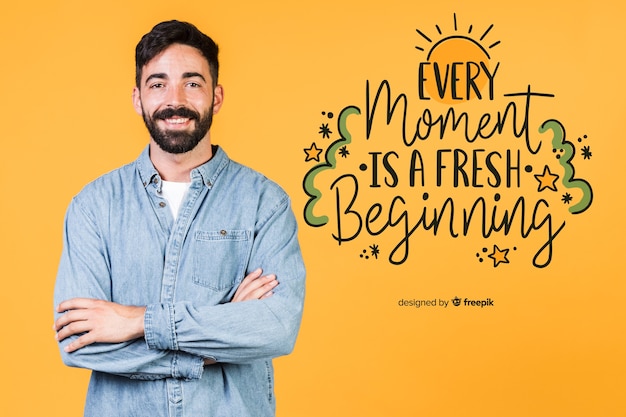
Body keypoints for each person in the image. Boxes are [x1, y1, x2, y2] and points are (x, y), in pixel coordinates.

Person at [53, 20, 305, 417]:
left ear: (216, 96)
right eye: (157, 84)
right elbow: (79, 341)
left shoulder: (264, 203)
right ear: (137, 98)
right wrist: (214, 344)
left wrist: (136, 322)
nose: (175, 100)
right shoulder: (93, 206)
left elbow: (275, 327)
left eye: (192, 83)